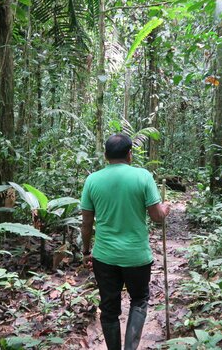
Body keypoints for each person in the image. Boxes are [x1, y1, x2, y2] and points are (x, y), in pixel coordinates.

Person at [80, 134, 170, 350]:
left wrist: (85, 251)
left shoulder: (92, 180)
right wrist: (165, 208)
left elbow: (86, 223)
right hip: (136, 256)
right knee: (139, 300)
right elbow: (157, 216)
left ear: (105, 156)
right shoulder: (143, 176)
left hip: (104, 257)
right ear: (130, 154)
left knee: (109, 309)